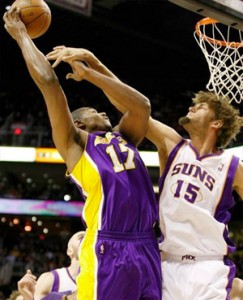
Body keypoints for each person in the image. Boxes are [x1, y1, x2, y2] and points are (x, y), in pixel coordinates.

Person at [46, 47, 243, 299]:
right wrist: (94, 64)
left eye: (201, 107)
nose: (192, 107)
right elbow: (134, 106)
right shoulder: (172, 144)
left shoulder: (232, 165)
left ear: (217, 123)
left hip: (209, 263)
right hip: (165, 263)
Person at [3, 7, 162, 300]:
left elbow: (142, 107)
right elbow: (50, 85)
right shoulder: (75, 143)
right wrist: (22, 35)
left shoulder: (124, 136)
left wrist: (91, 69)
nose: (102, 110)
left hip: (147, 245)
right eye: (92, 111)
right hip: (108, 247)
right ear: (77, 123)